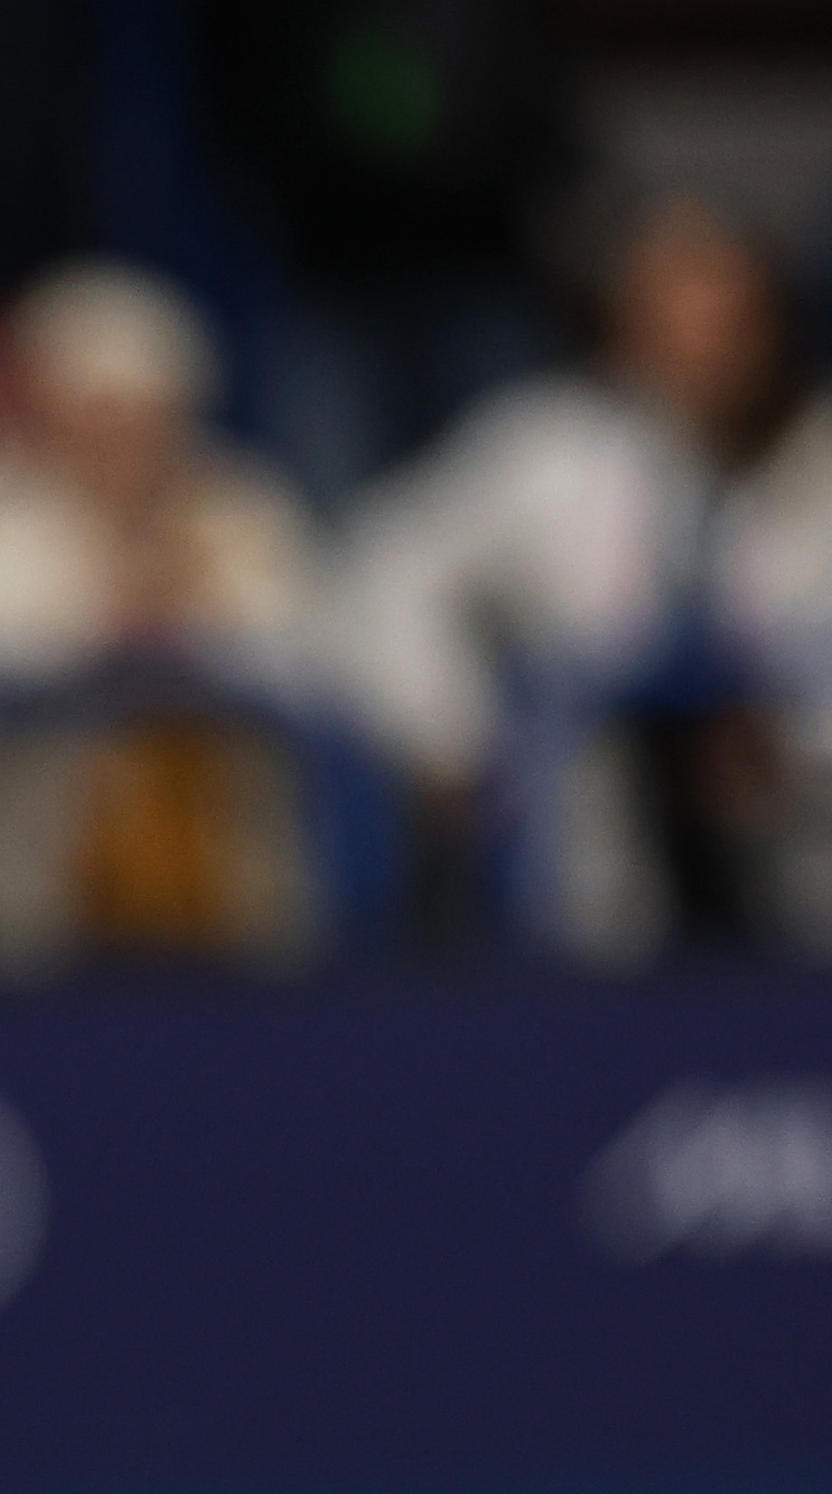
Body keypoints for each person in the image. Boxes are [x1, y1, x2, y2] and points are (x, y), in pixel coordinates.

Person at [329, 189, 832, 959]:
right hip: (592, 891)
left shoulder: (817, 466)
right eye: (673, 322)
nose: (706, 352)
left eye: (731, 324)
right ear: (624, 327)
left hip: (800, 884)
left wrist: (793, 744)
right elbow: (386, 564)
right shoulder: (550, 451)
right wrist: (451, 738)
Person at [0, 260, 324, 969]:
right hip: (37, 919)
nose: (122, 443)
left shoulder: (245, 516)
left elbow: (312, 669)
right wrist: (86, 624)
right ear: (46, 408)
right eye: (95, 413)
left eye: (144, 415)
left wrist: (193, 612)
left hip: (233, 920)